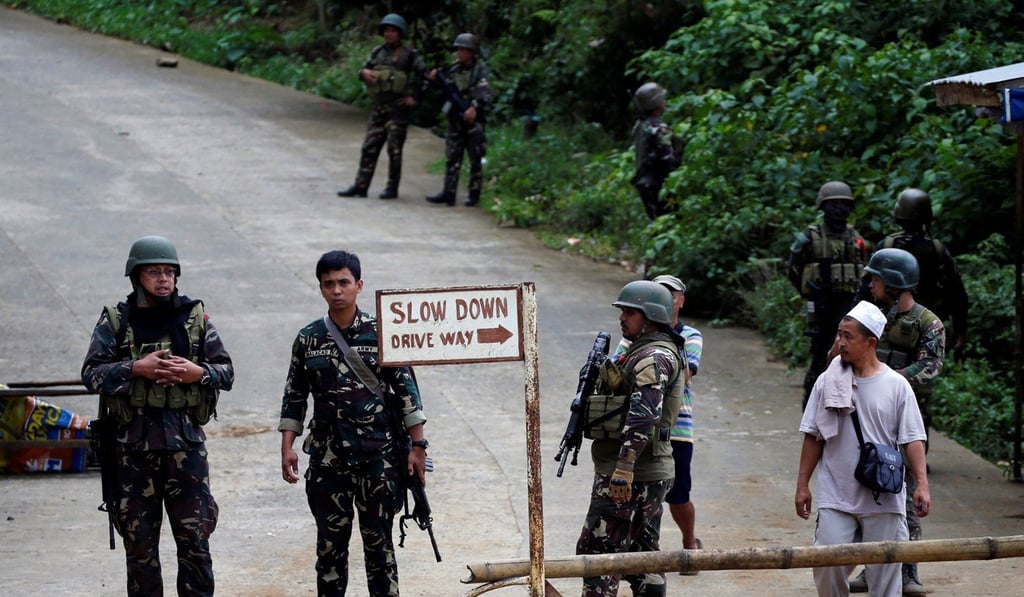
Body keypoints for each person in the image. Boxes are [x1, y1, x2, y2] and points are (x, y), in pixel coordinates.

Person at [82, 235, 234, 597]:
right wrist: (137, 368)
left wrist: (196, 373)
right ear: (137, 276)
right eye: (154, 272)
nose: (164, 279)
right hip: (133, 453)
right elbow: (91, 374)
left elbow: (225, 371)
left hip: (186, 452)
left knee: (196, 544)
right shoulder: (117, 321)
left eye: (169, 272)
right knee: (140, 549)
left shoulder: (194, 317)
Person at [278, 250, 428, 596]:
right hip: (329, 462)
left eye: (344, 282)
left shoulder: (383, 333)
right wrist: (287, 447)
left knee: (380, 548)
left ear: (359, 285)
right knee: (330, 551)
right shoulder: (308, 339)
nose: (336, 290)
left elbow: (408, 393)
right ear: (320, 288)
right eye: (328, 284)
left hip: (379, 458)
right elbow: (295, 397)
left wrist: (418, 446)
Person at [795, 300, 930, 597]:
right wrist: (803, 484)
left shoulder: (896, 385)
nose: (840, 342)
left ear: (870, 342)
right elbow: (813, 435)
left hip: (883, 493)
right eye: (839, 334)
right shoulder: (827, 382)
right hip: (837, 491)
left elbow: (912, 438)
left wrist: (922, 484)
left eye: (848, 336)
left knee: (885, 575)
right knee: (827, 563)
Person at [845, 248, 944, 595]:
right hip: (869, 418)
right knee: (864, 486)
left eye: (876, 279)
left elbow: (930, 367)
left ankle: (908, 570)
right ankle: (871, 568)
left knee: (902, 493)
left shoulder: (928, 323)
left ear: (895, 283)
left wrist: (889, 380)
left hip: (906, 419)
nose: (871, 284)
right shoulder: (876, 316)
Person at [576, 280, 684, 596]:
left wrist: (623, 469)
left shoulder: (652, 357)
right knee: (643, 557)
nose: (622, 317)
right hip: (648, 473)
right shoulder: (646, 351)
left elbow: (644, 416)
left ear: (649, 317)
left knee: (599, 559)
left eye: (629, 312)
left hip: (629, 477)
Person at [788, 180, 868, 408]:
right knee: (821, 358)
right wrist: (810, 294)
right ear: (823, 206)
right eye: (832, 203)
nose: (838, 208)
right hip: (821, 308)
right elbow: (793, 271)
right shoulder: (810, 237)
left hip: (850, 309)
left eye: (843, 204)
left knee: (852, 359)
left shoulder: (856, 239)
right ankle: (813, 405)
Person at [337, 13, 428, 200]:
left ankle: (391, 187)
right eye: (386, 30)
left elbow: (426, 76)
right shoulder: (378, 52)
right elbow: (363, 70)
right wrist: (363, 73)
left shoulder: (410, 55)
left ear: (400, 33)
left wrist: (415, 98)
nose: (389, 34)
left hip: (397, 108)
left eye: (393, 31)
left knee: (394, 150)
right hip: (379, 107)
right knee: (369, 147)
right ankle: (360, 185)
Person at [879, 188, 968, 357]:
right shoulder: (937, 249)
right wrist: (960, 331)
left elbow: (867, 288)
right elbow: (958, 294)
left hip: (889, 323)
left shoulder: (887, 246)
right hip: (925, 322)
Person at [652, 274, 704, 560]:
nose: (666, 300)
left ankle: (689, 542)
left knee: (678, 494)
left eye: (671, 295)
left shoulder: (690, 336)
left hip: (678, 428)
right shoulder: (636, 333)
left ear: (681, 301)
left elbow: (684, 373)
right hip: (644, 425)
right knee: (645, 494)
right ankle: (647, 553)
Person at [425, 33, 492, 207]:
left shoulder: (479, 70)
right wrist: (433, 80)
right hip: (456, 119)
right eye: (458, 49)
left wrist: (473, 107)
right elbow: (441, 90)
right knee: (452, 157)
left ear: (472, 51)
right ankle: (449, 192)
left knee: (475, 158)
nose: (460, 53)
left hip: (474, 121)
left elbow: (485, 92)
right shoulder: (453, 70)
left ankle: (474, 194)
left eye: (464, 49)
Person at [630, 82, 681, 220]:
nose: (665, 101)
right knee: (667, 223)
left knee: (657, 223)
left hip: (645, 183)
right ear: (656, 104)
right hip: (657, 184)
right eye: (662, 99)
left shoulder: (641, 125)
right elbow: (666, 162)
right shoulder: (658, 128)